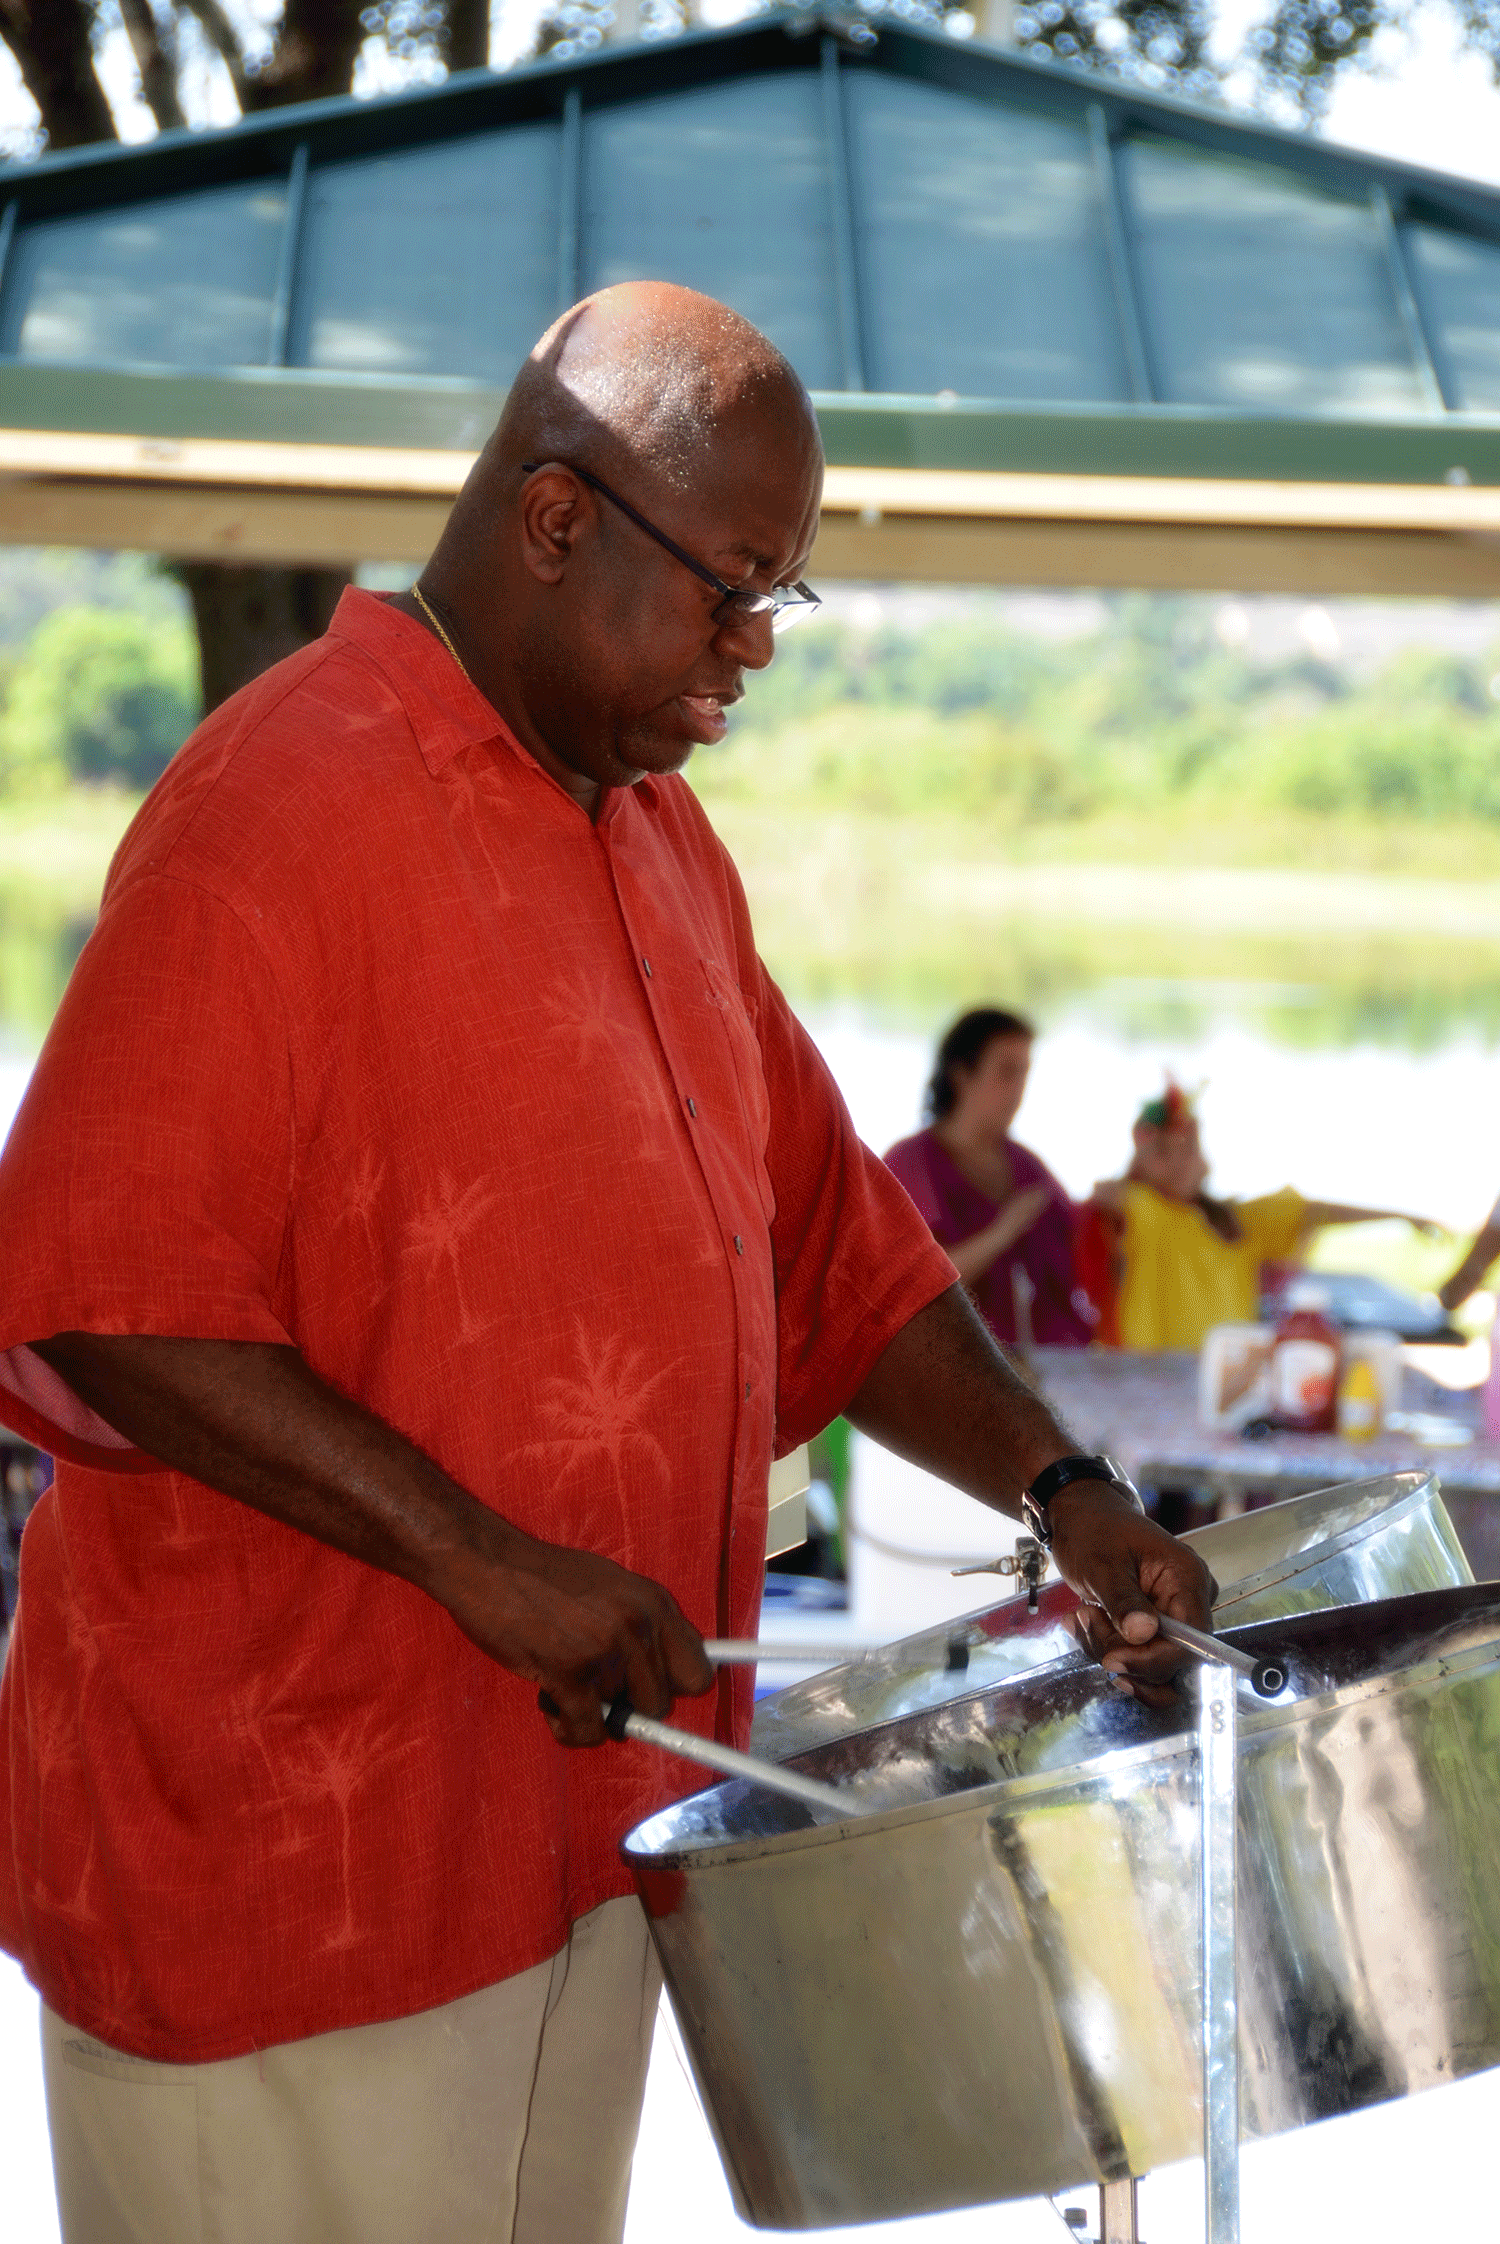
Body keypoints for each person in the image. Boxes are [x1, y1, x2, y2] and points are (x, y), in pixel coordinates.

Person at [0, 282, 1212, 2244]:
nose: (753, 651)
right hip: (302, 1891)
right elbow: (99, 1281)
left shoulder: (657, 839)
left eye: (780, 602)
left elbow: (837, 1248)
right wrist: (482, 1556)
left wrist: (1063, 1491)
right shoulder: (271, 814)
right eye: (733, 589)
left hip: (586, 1844)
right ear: (559, 518)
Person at [1086, 1079, 1434, 1351]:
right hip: (1155, 1374)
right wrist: (1144, 1152)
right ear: (1141, 1158)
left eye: (1188, 1150)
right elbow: (1104, 1193)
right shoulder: (1141, 1210)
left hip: (1227, 1371)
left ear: (1205, 1161)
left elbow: (1316, 1212)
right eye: (1164, 1152)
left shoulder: (1239, 1221)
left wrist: (1400, 1215)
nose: (1179, 1162)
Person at [884, 1008, 1090, 1347]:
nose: (1018, 1090)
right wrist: (1002, 1232)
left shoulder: (1027, 1165)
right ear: (961, 1074)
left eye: (1024, 1074)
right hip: (952, 1364)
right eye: (1006, 1073)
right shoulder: (909, 1164)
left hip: (1048, 1362)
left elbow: (1078, 1247)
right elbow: (909, 1287)